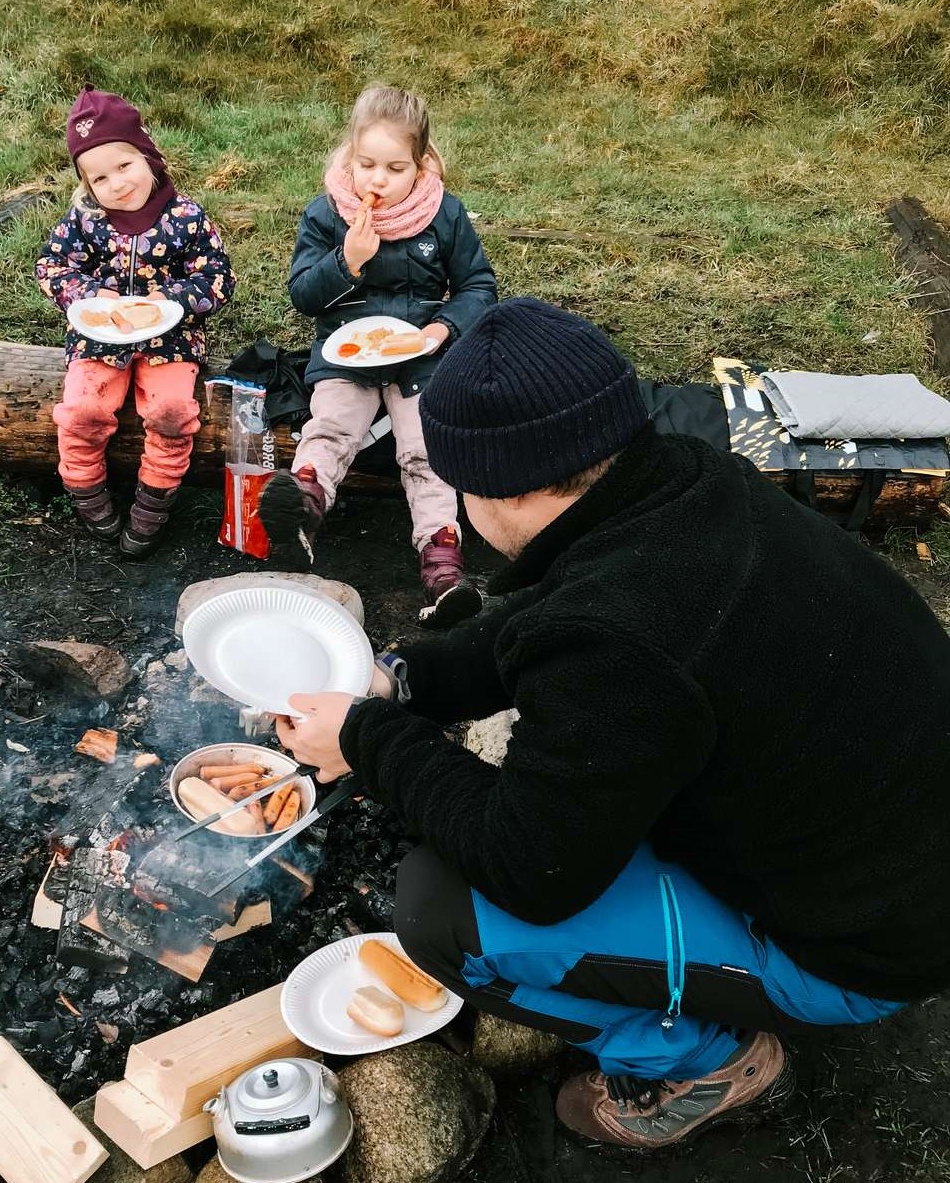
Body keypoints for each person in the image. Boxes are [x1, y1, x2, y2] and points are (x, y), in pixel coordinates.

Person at [275, 297, 950, 1152]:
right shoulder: (686, 483)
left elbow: (536, 868)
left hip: (868, 945)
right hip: (894, 836)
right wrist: (400, 681)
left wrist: (368, 740)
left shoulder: (622, 644)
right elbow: (549, 620)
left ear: (498, 485)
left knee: (442, 908)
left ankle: (705, 1065)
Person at [259, 84, 497, 628]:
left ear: (423, 164)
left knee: (427, 448)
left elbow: (478, 287)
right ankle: (302, 507)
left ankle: (442, 564)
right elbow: (302, 296)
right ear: (349, 156)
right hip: (347, 347)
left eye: (395, 168)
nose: (378, 180)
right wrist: (347, 260)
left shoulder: (444, 215)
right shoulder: (327, 213)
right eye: (367, 164)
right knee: (332, 425)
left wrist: (443, 328)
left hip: (419, 354)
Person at [36, 85, 234, 558]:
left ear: (149, 156)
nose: (117, 184)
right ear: (86, 185)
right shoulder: (84, 221)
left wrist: (173, 299)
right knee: (82, 411)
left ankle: (154, 497)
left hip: (172, 338)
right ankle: (85, 489)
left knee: (171, 413)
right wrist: (85, 294)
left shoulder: (184, 218)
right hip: (98, 337)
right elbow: (50, 267)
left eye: (125, 166)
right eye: (100, 178)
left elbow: (219, 277)